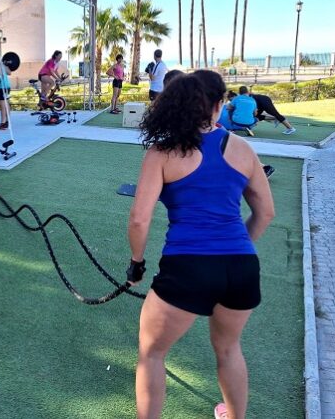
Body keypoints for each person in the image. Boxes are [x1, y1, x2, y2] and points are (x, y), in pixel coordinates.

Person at [127, 70, 275, 419]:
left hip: (188, 267)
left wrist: (137, 263)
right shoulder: (243, 149)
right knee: (228, 349)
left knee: (152, 354)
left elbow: (138, 219)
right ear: (218, 105)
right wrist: (235, 251)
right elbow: (266, 213)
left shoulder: (162, 152)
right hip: (241, 267)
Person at [0, 61, 11, 129]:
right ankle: (7, 121)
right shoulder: (3, 65)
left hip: (2, 87)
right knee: (6, 103)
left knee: (2, 105)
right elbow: (9, 73)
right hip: (7, 86)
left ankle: (3, 123)